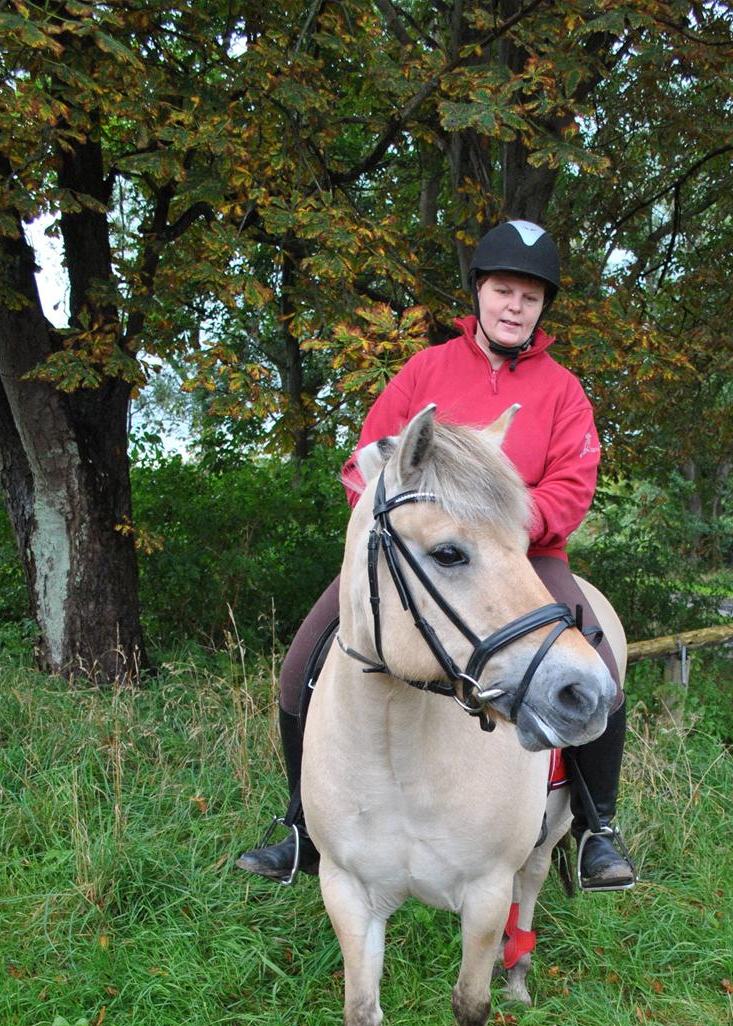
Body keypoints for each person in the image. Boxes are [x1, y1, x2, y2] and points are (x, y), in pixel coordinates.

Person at [236, 219, 636, 891]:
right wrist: (396, 523)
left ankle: (598, 826)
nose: (515, 306)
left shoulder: (563, 391)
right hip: (411, 557)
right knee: (300, 661)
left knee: (594, 660)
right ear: (479, 292)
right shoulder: (424, 370)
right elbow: (364, 463)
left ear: (542, 309)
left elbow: (572, 486)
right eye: (504, 290)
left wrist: (495, 525)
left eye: (530, 297)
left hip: (522, 554)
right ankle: (302, 828)